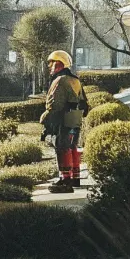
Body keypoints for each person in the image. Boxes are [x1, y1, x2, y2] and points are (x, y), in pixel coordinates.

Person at [39, 50, 88, 193]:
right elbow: (84, 103)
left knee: (62, 148)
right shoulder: (75, 79)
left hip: (63, 118)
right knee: (72, 146)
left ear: (59, 64)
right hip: (75, 118)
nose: (50, 66)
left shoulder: (60, 80)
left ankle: (65, 181)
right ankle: (75, 178)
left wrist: (45, 117)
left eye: (52, 63)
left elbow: (54, 105)